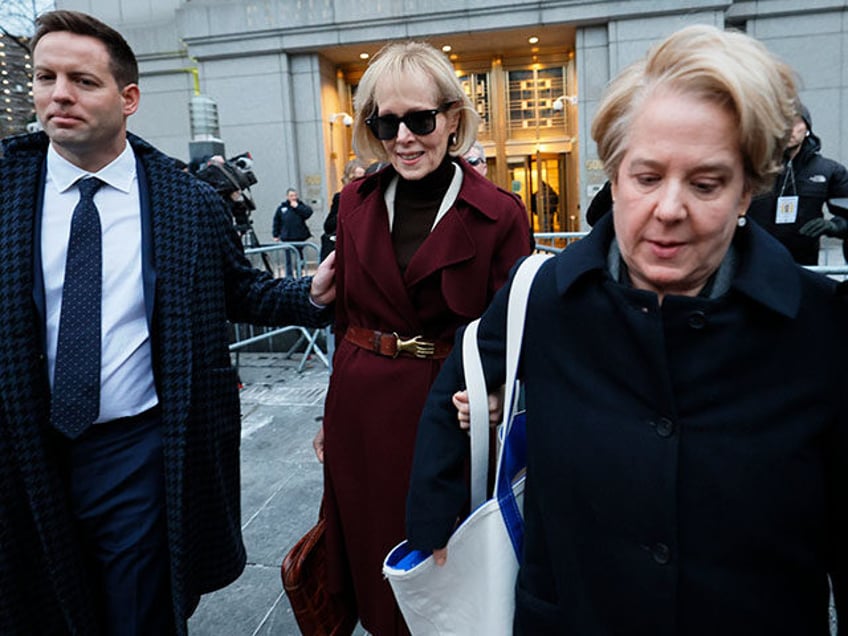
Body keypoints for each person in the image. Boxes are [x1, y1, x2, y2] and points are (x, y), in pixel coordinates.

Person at [407, 24, 848, 635]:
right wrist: (432, 522)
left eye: (705, 183)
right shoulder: (545, 297)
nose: (669, 208)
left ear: (748, 189)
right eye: (646, 177)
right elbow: (457, 380)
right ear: (613, 177)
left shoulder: (823, 327)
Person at [0, 10, 334, 635]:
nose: (58, 94)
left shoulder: (186, 201)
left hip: (138, 451)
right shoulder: (8, 185)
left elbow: (241, 291)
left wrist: (310, 294)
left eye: (82, 79)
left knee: (143, 614)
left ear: (129, 98)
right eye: (45, 77)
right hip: (24, 447)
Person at [313, 41, 532, 635]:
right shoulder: (352, 202)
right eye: (387, 121)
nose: (404, 136)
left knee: (438, 567)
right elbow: (346, 316)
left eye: (421, 119)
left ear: (453, 119)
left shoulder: (500, 213)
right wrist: (328, 416)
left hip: (443, 418)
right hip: (359, 409)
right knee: (368, 560)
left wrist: (498, 400)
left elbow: (519, 336)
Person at [747, 102, 848, 265]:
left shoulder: (829, 170)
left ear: (807, 128)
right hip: (753, 262)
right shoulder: (753, 167)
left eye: (794, 123)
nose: (788, 129)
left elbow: (846, 213)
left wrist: (834, 226)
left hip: (803, 265)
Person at [321, 157, 367, 261]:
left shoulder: (372, 197)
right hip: (346, 248)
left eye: (363, 179)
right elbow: (328, 226)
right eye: (355, 179)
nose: (359, 183)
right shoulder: (341, 197)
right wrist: (343, 214)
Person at [272, 187, 314, 276]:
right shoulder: (282, 208)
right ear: (287, 197)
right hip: (287, 236)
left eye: (295, 195)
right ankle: (289, 274)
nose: (293, 197)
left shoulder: (300, 206)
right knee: (288, 258)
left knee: (299, 256)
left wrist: (297, 207)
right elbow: (276, 221)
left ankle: (299, 272)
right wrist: (275, 235)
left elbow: (308, 213)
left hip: (299, 236)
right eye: (291, 196)